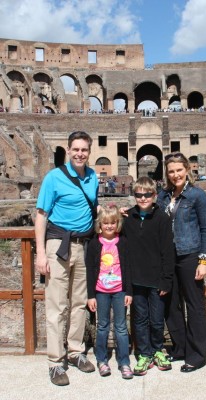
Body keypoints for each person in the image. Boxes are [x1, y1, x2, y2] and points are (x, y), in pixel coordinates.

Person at [35, 131, 99, 386]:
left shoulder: (93, 176)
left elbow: (92, 209)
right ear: (69, 150)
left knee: (79, 303)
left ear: (88, 151)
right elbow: (41, 215)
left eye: (84, 150)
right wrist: (41, 253)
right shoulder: (53, 178)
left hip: (83, 246)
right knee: (57, 306)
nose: (80, 154)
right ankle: (54, 362)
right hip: (57, 245)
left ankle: (75, 352)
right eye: (76, 149)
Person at [157, 152, 206, 373]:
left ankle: (197, 355)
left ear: (187, 170)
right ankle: (180, 348)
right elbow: (151, 215)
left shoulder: (197, 196)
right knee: (170, 306)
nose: (175, 175)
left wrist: (204, 261)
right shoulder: (163, 196)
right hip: (168, 257)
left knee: (194, 305)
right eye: (171, 171)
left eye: (179, 170)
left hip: (190, 255)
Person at [122, 177, 174, 376]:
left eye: (147, 194)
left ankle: (157, 350)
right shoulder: (128, 218)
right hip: (136, 279)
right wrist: (115, 212)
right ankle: (144, 353)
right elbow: (107, 227)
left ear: (154, 195)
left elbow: (168, 251)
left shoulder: (162, 218)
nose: (143, 198)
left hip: (156, 278)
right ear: (134, 195)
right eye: (138, 194)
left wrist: (166, 279)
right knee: (140, 318)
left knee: (157, 318)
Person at [85, 205, 133, 380]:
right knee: (102, 326)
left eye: (113, 222)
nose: (109, 226)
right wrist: (90, 295)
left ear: (118, 224)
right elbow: (90, 270)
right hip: (101, 291)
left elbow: (128, 267)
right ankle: (101, 360)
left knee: (121, 327)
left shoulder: (123, 242)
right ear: (100, 225)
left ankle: (124, 362)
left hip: (120, 290)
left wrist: (129, 291)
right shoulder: (94, 243)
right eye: (105, 223)